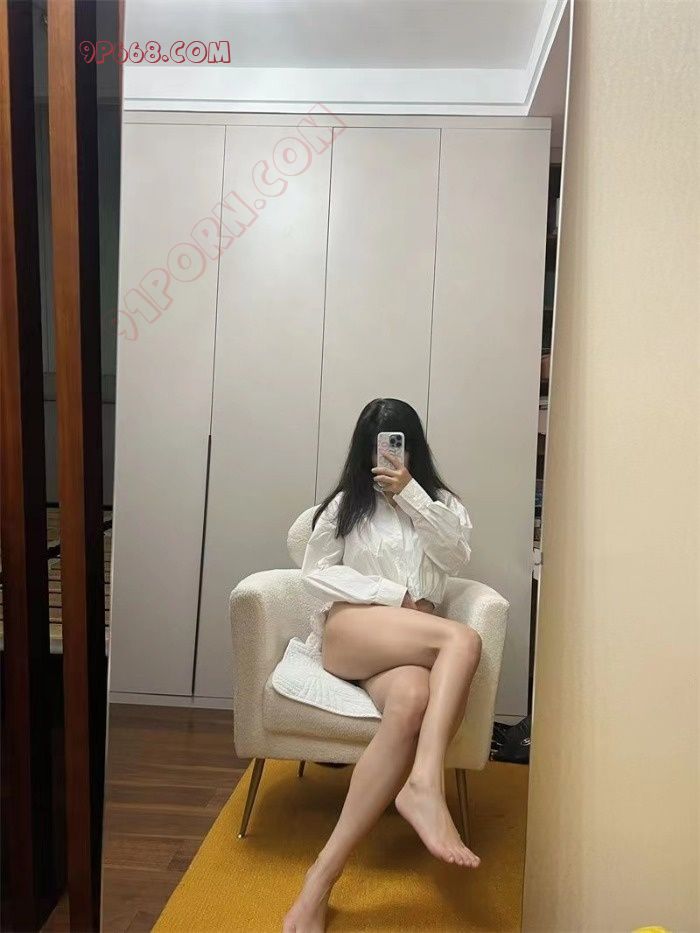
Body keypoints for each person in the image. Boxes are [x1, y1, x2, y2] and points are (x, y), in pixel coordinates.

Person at [283, 398, 482, 933]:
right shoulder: (345, 506)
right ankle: (425, 784)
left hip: (408, 646)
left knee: (413, 700)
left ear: (413, 447)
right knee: (462, 640)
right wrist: (394, 595)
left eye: (400, 444)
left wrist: (411, 494)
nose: (390, 455)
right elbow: (314, 574)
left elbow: (455, 557)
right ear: (365, 449)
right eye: (381, 445)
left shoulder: (441, 505)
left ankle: (319, 881)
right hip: (353, 631)